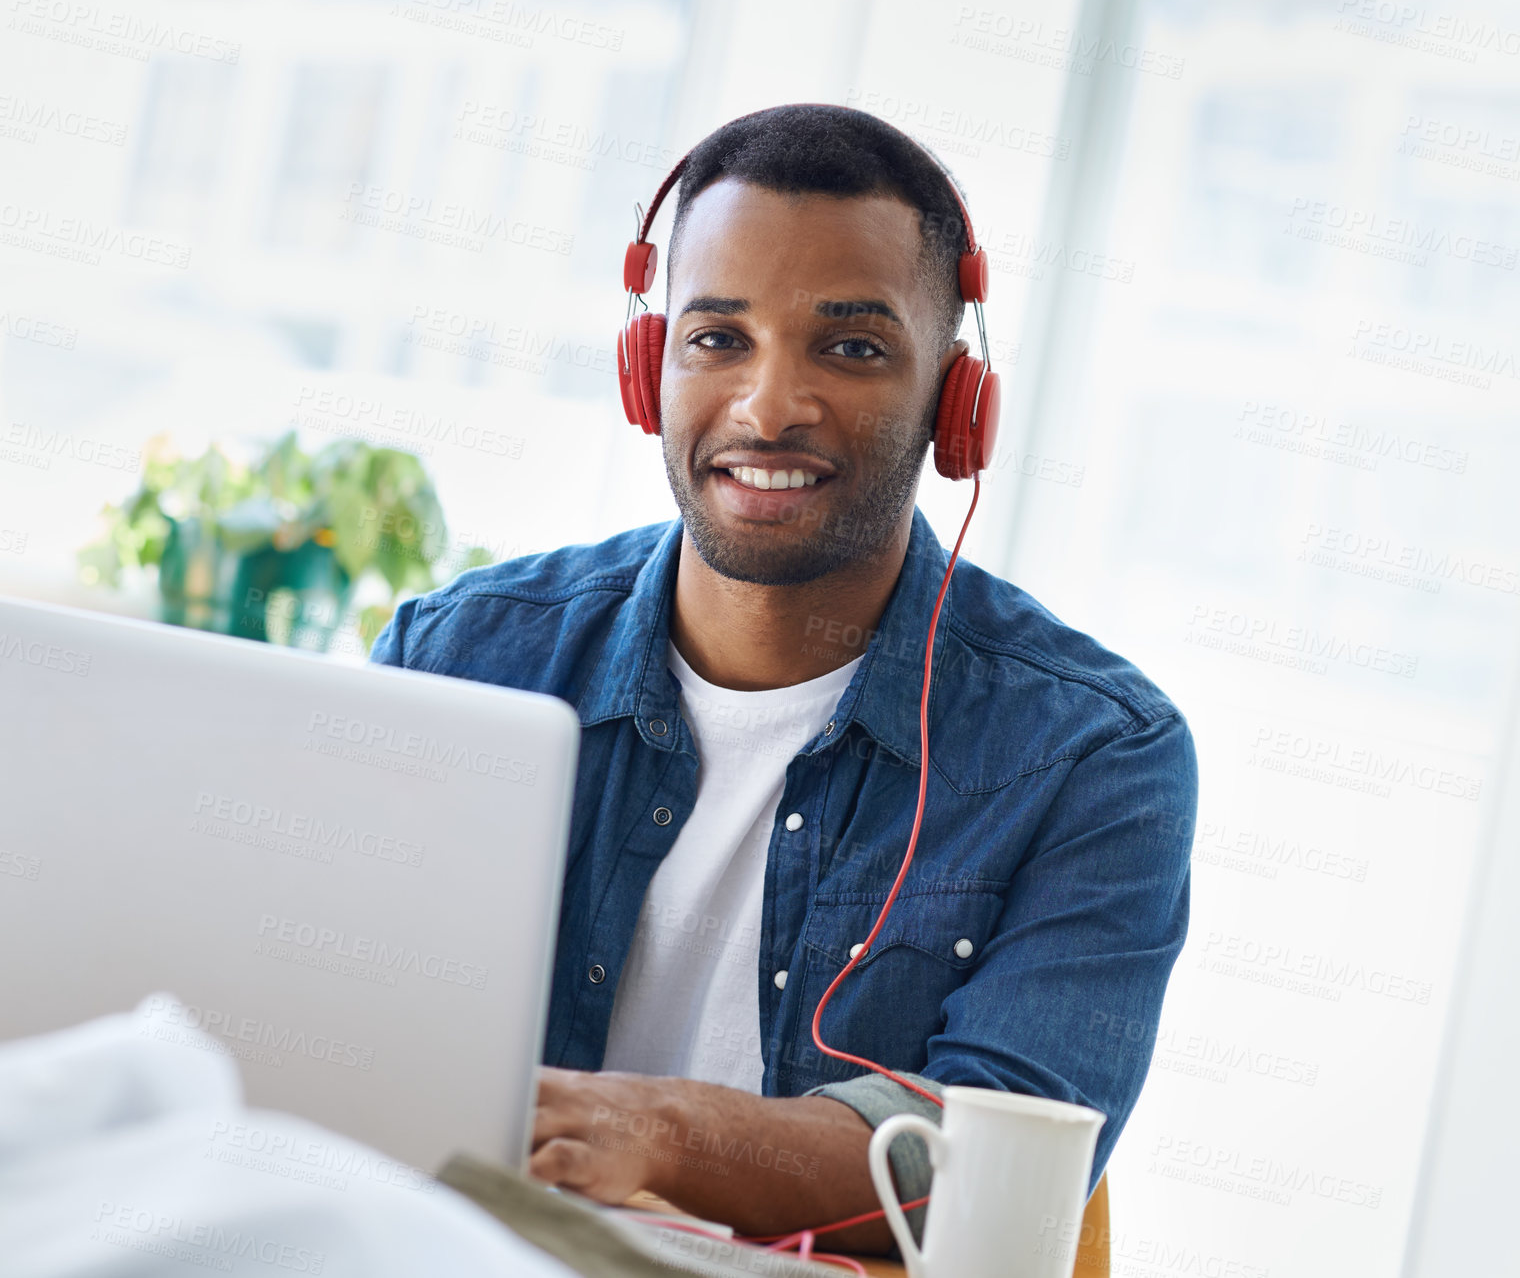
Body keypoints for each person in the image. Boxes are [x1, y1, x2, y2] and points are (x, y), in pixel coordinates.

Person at [370, 103, 1197, 1255]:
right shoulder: (459, 662)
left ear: (955, 403)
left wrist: (656, 1130)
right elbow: (321, 1022)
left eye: (851, 347)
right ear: (649, 368)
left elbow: (996, 1164)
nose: (769, 409)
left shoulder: (1093, 754)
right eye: (718, 339)